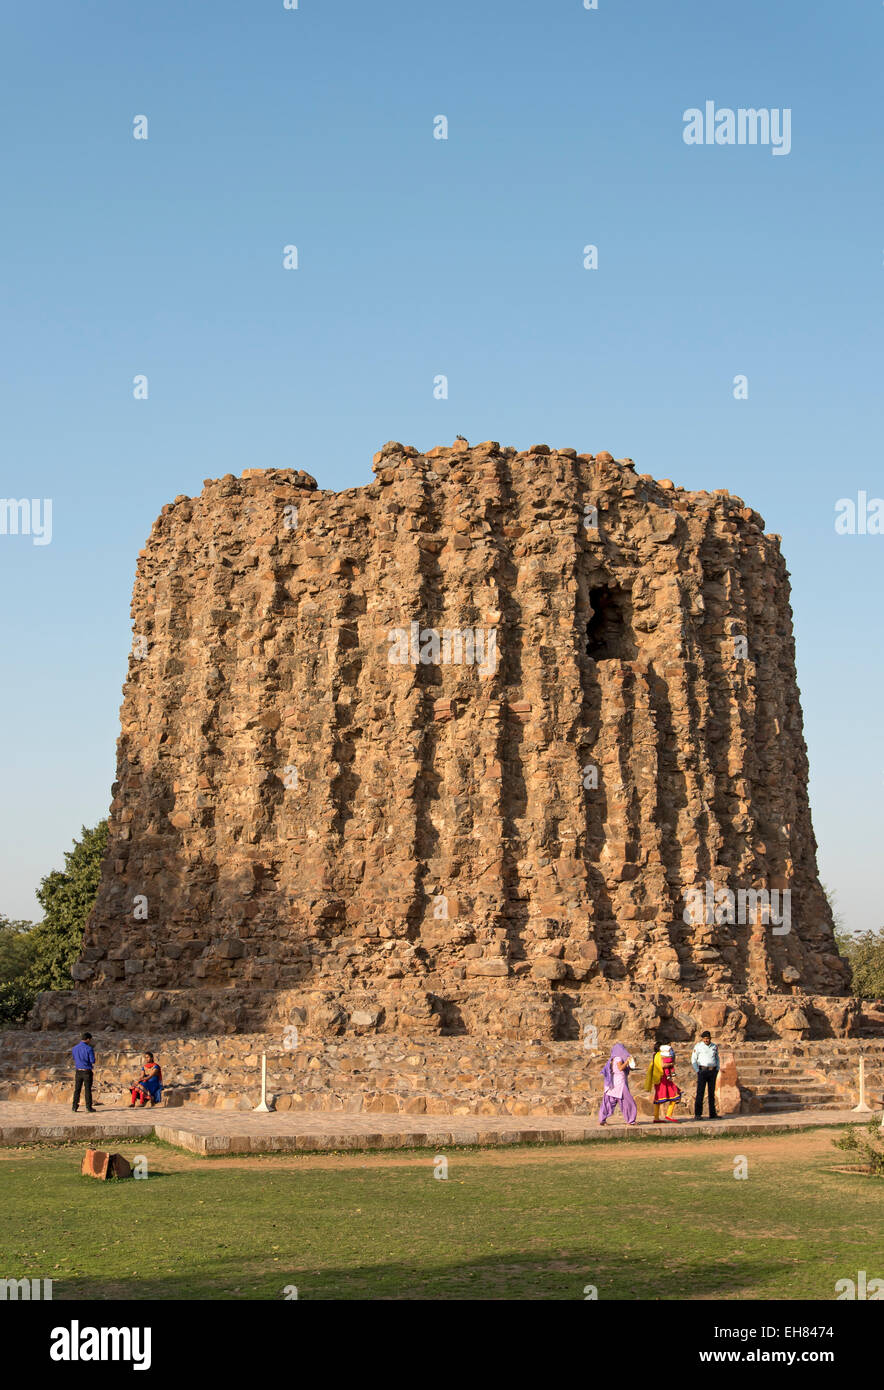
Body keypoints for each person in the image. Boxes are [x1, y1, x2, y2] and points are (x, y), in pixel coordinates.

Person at [598, 1043, 637, 1126]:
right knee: (628, 1102)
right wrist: (627, 1061)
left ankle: (602, 1119)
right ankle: (631, 1120)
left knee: (608, 1102)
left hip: (613, 1084)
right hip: (619, 1083)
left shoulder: (613, 1058)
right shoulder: (618, 1058)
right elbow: (620, 1068)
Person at [644, 1043, 681, 1122]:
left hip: (659, 1079)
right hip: (663, 1079)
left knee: (659, 1098)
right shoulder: (660, 1056)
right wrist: (671, 1064)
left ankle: (656, 1117)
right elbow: (663, 1065)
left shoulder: (656, 1056)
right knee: (675, 1094)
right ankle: (668, 1115)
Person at [691, 1030, 720, 1119]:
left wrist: (717, 1068)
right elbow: (693, 1059)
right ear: (702, 1039)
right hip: (702, 1071)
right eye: (704, 1038)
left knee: (711, 1093)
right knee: (700, 1092)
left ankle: (712, 1113)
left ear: (710, 1038)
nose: (706, 1040)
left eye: (708, 1038)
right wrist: (697, 1070)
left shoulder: (714, 1046)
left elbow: (717, 1058)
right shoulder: (698, 1046)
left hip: (712, 1071)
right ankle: (698, 1114)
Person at [71, 1031, 96, 1113]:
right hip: (86, 1071)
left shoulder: (74, 1048)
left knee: (77, 1089)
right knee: (87, 1089)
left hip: (78, 1071)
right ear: (88, 1039)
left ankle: (74, 1107)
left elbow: (74, 1058)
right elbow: (92, 1060)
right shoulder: (89, 1048)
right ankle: (88, 1107)